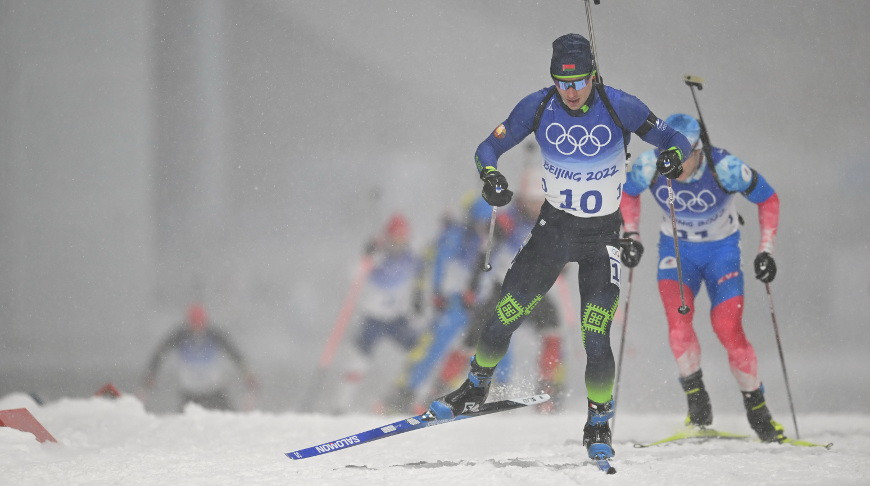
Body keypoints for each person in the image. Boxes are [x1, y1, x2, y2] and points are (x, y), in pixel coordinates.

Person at [425, 33, 693, 462]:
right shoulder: (537, 105)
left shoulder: (619, 104)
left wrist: (671, 157)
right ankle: (475, 389)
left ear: (592, 75)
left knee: (594, 334)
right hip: (552, 232)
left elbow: (674, 139)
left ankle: (598, 421)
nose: (571, 92)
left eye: (579, 82)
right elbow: (488, 147)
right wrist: (491, 177)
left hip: (601, 237)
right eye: (562, 83)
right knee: (504, 313)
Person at [620, 113, 785, 442]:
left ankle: (757, 409)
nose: (674, 164)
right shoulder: (649, 164)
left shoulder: (725, 167)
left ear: (698, 151)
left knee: (728, 329)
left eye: (682, 155)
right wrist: (632, 236)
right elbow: (628, 193)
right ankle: (696, 398)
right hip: (677, 253)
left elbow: (768, 198)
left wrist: (766, 250)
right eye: (669, 153)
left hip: (721, 253)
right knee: (679, 325)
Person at [334, 213, 426, 413]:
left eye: (403, 238)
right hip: (373, 318)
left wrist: (419, 299)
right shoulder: (379, 255)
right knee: (359, 360)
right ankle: (341, 406)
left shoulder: (411, 255)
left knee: (420, 349)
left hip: (396, 318)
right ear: (388, 237)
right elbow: (354, 274)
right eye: (395, 238)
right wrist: (366, 255)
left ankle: (408, 396)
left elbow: (423, 271)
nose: (399, 243)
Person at [140, 303, 258, 412]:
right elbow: (160, 353)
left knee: (230, 417)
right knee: (184, 421)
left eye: (200, 322)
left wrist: (246, 373)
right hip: (190, 390)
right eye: (194, 323)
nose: (197, 326)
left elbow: (234, 352)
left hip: (214, 388)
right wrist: (152, 373)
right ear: (189, 322)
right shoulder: (180, 335)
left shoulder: (214, 334)